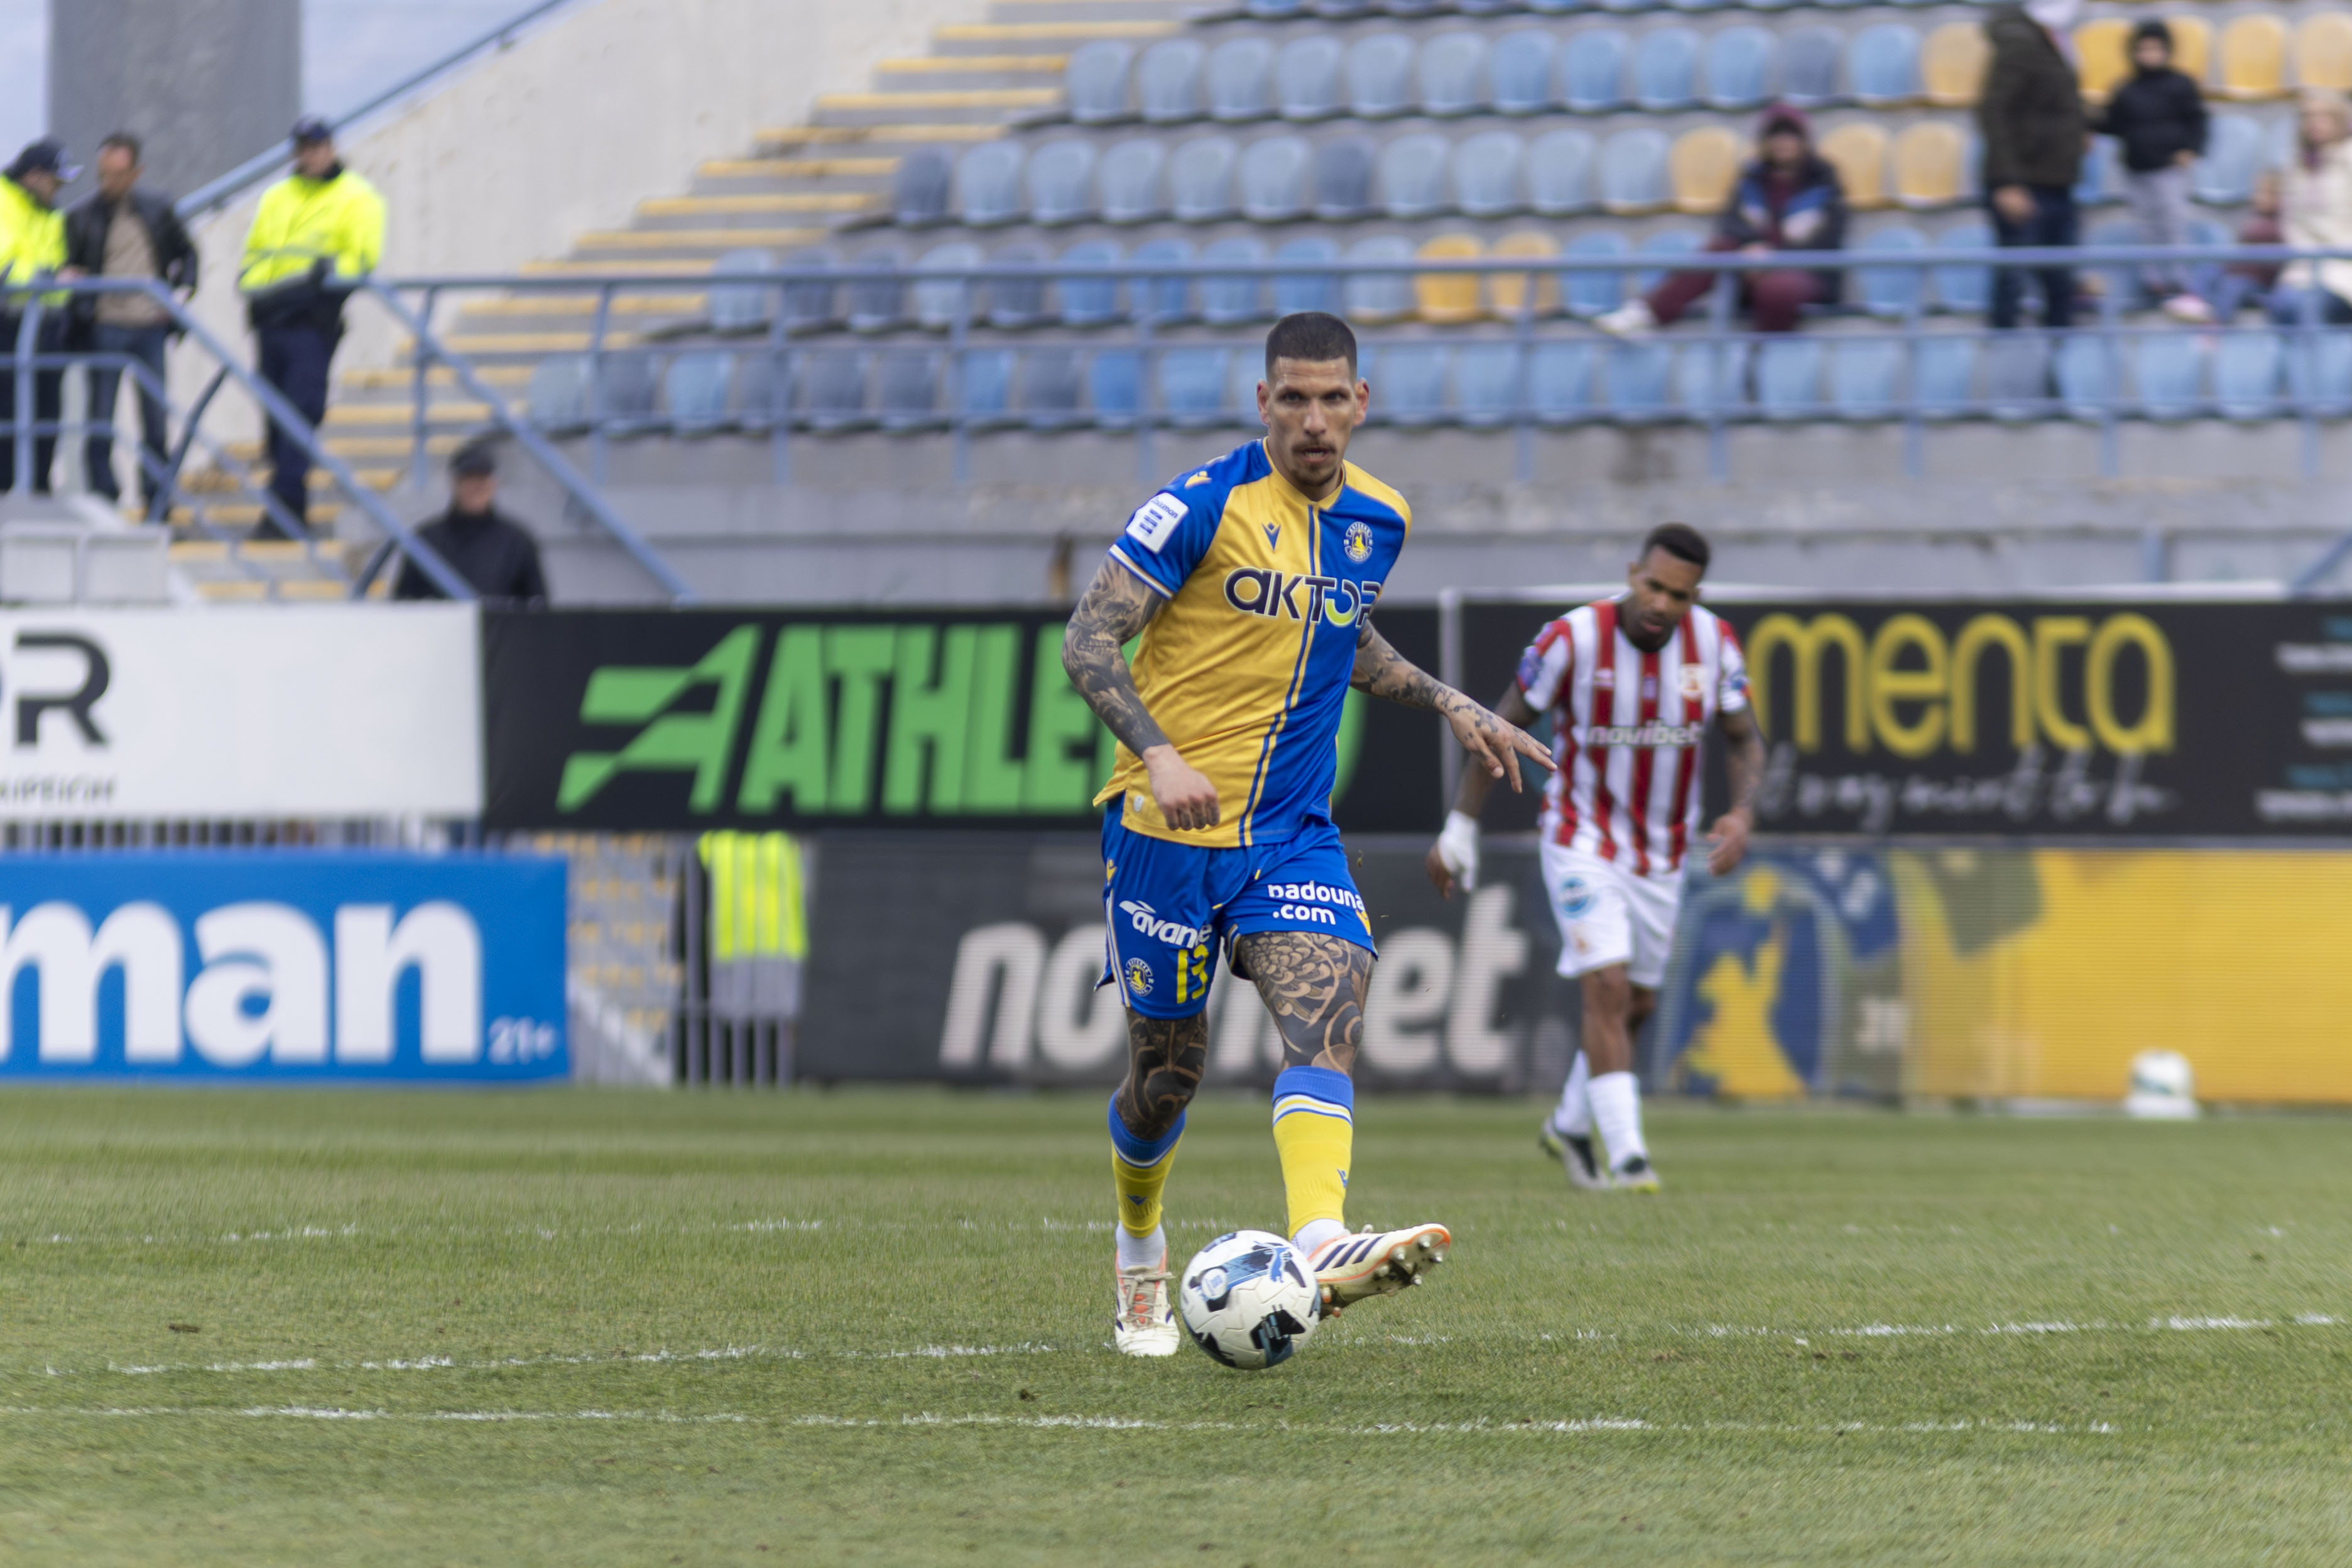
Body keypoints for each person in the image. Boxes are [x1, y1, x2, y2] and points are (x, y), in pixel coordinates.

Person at [1062, 310, 1554, 1356]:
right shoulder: (1200, 506)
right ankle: (1139, 1248)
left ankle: (1322, 1237)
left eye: (1333, 399)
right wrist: (1158, 754)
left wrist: (1448, 701)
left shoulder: (1380, 518)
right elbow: (1087, 638)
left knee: (1328, 998)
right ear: (1263, 402)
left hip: (1290, 830)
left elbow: (1342, 628)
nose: (1314, 420)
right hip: (1164, 831)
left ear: (1361, 403)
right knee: (1164, 1080)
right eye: (1294, 398)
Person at [1425, 525, 1766, 1194]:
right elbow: (1499, 725)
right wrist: (1460, 825)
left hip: (1664, 851)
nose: (1662, 603)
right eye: (1654, 586)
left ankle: (1571, 1125)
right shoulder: (1572, 638)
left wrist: (1744, 812)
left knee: (1636, 1004)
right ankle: (1630, 1158)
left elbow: (1745, 738)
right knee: (1607, 988)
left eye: (1679, 595)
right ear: (1633, 572)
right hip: (1581, 837)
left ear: (1695, 597)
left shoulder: (1715, 644)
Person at [239, 117, 384, 538]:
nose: (312, 154)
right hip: (270, 316)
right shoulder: (277, 196)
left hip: (312, 318)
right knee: (275, 416)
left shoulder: (358, 195)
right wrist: (258, 291)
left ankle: (286, 506)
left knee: (300, 410)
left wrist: (319, 279)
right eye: (305, 147)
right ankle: (286, 503)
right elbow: (254, 256)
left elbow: (361, 257)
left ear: (332, 148)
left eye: (319, 146)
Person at [1595, 104, 1848, 339]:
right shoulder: (1750, 181)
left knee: (1777, 289)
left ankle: (1762, 359)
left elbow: (1828, 241)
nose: (1783, 143)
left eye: (1790, 135)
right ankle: (1646, 314)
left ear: (1804, 140)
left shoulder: (1825, 186)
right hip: (1751, 271)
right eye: (1775, 135)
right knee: (1720, 248)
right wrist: (1750, 250)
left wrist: (1773, 257)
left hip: (1807, 274)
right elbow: (1731, 226)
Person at [65, 133, 200, 509]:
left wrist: (180, 294)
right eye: (103, 174)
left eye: (118, 174)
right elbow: (70, 266)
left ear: (136, 173)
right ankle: (104, 496)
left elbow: (188, 254)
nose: (109, 183)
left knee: (155, 419)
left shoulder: (158, 208)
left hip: (151, 326)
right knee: (100, 417)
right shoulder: (81, 215)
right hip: (105, 325)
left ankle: (156, 498)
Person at [1979, 0, 2089, 330]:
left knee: (2060, 283)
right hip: (2026, 184)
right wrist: (2007, 182)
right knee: (2013, 282)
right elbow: (1994, 112)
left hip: (2056, 180)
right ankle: (2005, 353)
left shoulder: (2054, 42)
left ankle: (2058, 356)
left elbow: (2052, 106)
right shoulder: (2020, 43)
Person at [2093, 19, 2210, 322]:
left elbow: (2198, 120)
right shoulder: (2126, 88)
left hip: (2169, 168)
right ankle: (2154, 284)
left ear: (2167, 50)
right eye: (2143, 49)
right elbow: (2113, 124)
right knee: (2146, 229)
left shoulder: (2181, 84)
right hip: (2136, 169)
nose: (2149, 55)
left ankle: (2179, 284)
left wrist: (2191, 149)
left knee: (2172, 225)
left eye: (2156, 48)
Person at [0, 139, 77, 494]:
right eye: (54, 181)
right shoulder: (4, 202)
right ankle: (7, 490)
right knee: (9, 412)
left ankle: (39, 488)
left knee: (47, 412)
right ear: (34, 176)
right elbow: (6, 270)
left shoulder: (50, 213)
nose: (58, 189)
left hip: (44, 326)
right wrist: (52, 279)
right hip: (8, 325)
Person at [391, 438, 550, 604]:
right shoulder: (426, 539)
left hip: (497, 622)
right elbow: (404, 603)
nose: (476, 486)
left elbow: (537, 605)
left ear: (494, 483)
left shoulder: (517, 540)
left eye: (482, 478)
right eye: (469, 478)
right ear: (453, 483)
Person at [2265, 90, 2352, 328]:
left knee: (2308, 307)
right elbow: (2292, 223)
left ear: (2339, 120)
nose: (2314, 122)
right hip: (2303, 268)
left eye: (2323, 116)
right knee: (2282, 305)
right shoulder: (2295, 164)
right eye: (2308, 116)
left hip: (2344, 269)